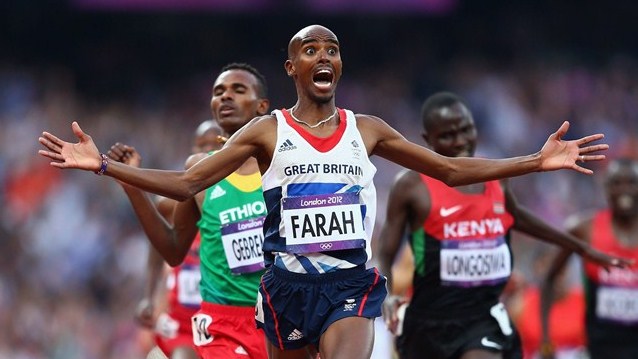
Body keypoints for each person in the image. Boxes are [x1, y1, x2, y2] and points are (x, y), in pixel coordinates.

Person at [39, 25, 611, 359]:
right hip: (285, 287)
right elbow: (188, 182)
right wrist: (105, 170)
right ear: (292, 67)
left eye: (332, 50)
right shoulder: (267, 132)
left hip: (349, 284)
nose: (324, 57)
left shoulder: (366, 128)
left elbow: (450, 170)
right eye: (311, 51)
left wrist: (535, 162)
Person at [376, 91, 630, 359]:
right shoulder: (410, 186)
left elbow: (516, 216)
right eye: (448, 135)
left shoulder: (495, 175)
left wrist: (580, 247)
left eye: (466, 130)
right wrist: (389, 294)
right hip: (428, 323)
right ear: (429, 140)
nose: (461, 141)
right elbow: (385, 254)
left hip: (482, 317)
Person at [109, 63, 272, 359]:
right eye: (218, 92)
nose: (225, 97)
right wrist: (131, 186)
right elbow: (171, 250)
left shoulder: (287, 168)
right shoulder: (197, 179)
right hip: (221, 323)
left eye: (238, 90)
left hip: (282, 319)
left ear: (262, 106)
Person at [124, 119, 224, 359]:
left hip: (226, 321)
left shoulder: (244, 198)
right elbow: (161, 243)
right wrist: (149, 296)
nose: (206, 154)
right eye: (200, 147)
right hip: (184, 325)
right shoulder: (171, 205)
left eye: (215, 146)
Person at [540, 157, 638, 359]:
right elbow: (549, 278)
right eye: (616, 183)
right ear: (606, 188)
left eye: (631, 183)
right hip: (599, 347)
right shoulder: (583, 229)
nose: (624, 190)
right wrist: (545, 337)